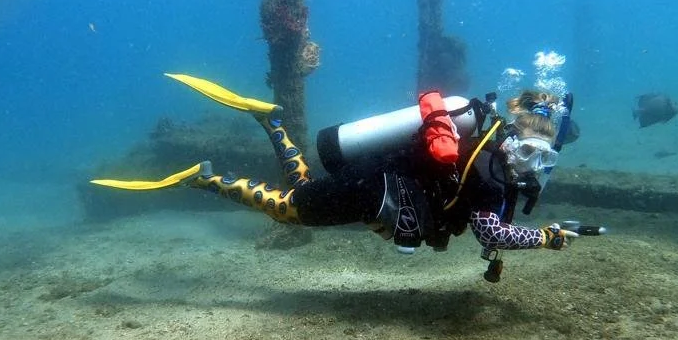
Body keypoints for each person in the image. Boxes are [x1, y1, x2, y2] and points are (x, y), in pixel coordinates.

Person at [92, 74, 581, 281]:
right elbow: (489, 231)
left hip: (383, 185)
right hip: (379, 193)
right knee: (291, 211)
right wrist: (545, 237)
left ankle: (271, 120)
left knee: (303, 192)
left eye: (545, 159)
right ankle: (204, 180)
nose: (535, 165)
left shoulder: (486, 149)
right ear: (514, 139)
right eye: (532, 152)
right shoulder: (495, 173)